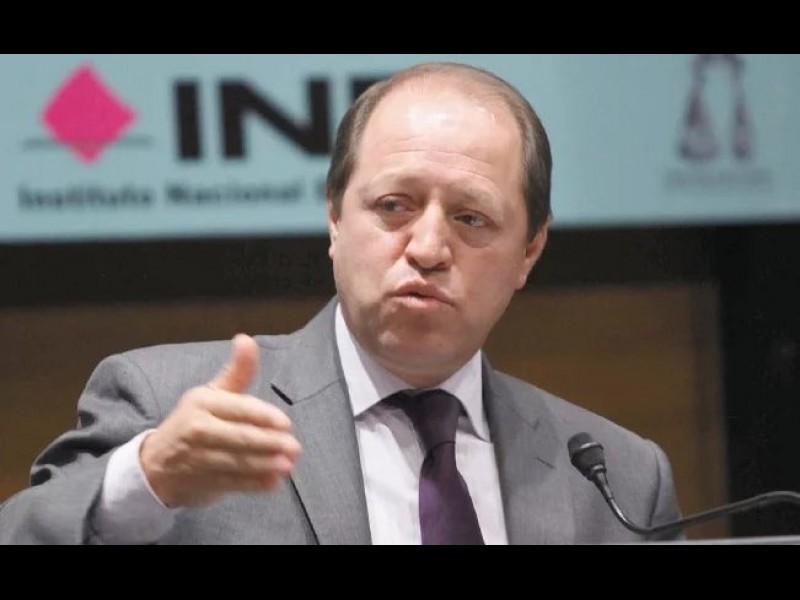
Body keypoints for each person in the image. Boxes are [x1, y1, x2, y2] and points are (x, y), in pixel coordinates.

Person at [0, 60, 683, 544]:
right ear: (334, 219)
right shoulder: (166, 401)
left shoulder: (619, 477)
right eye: (394, 206)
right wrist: (147, 480)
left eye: (472, 218)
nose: (427, 248)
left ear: (529, 251)